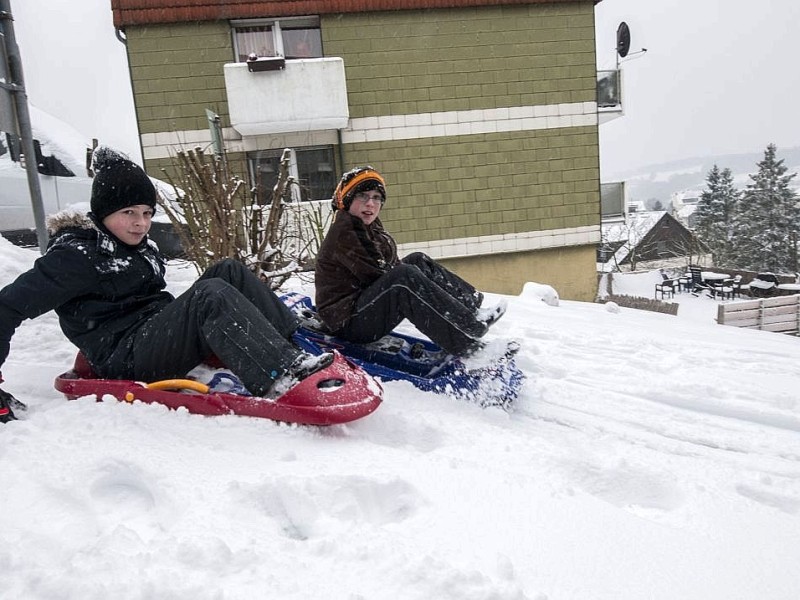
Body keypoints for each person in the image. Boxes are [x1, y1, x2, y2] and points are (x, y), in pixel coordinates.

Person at [0, 147, 332, 422]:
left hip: (151, 335)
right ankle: (283, 375)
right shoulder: (77, 256)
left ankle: (291, 345)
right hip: (125, 357)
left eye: (146, 212)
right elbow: (8, 305)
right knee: (209, 297)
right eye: (129, 212)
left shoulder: (134, 245)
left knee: (228, 271)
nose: (140, 223)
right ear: (103, 213)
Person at [314, 166, 506, 357]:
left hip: (361, 307)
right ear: (348, 200)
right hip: (347, 323)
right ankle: (468, 344)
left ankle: (472, 310)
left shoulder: (366, 225)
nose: (370, 204)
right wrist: (409, 277)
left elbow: (387, 266)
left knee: (417, 261)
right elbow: (377, 273)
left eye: (376, 197)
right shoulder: (346, 231)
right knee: (404, 277)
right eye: (362, 196)